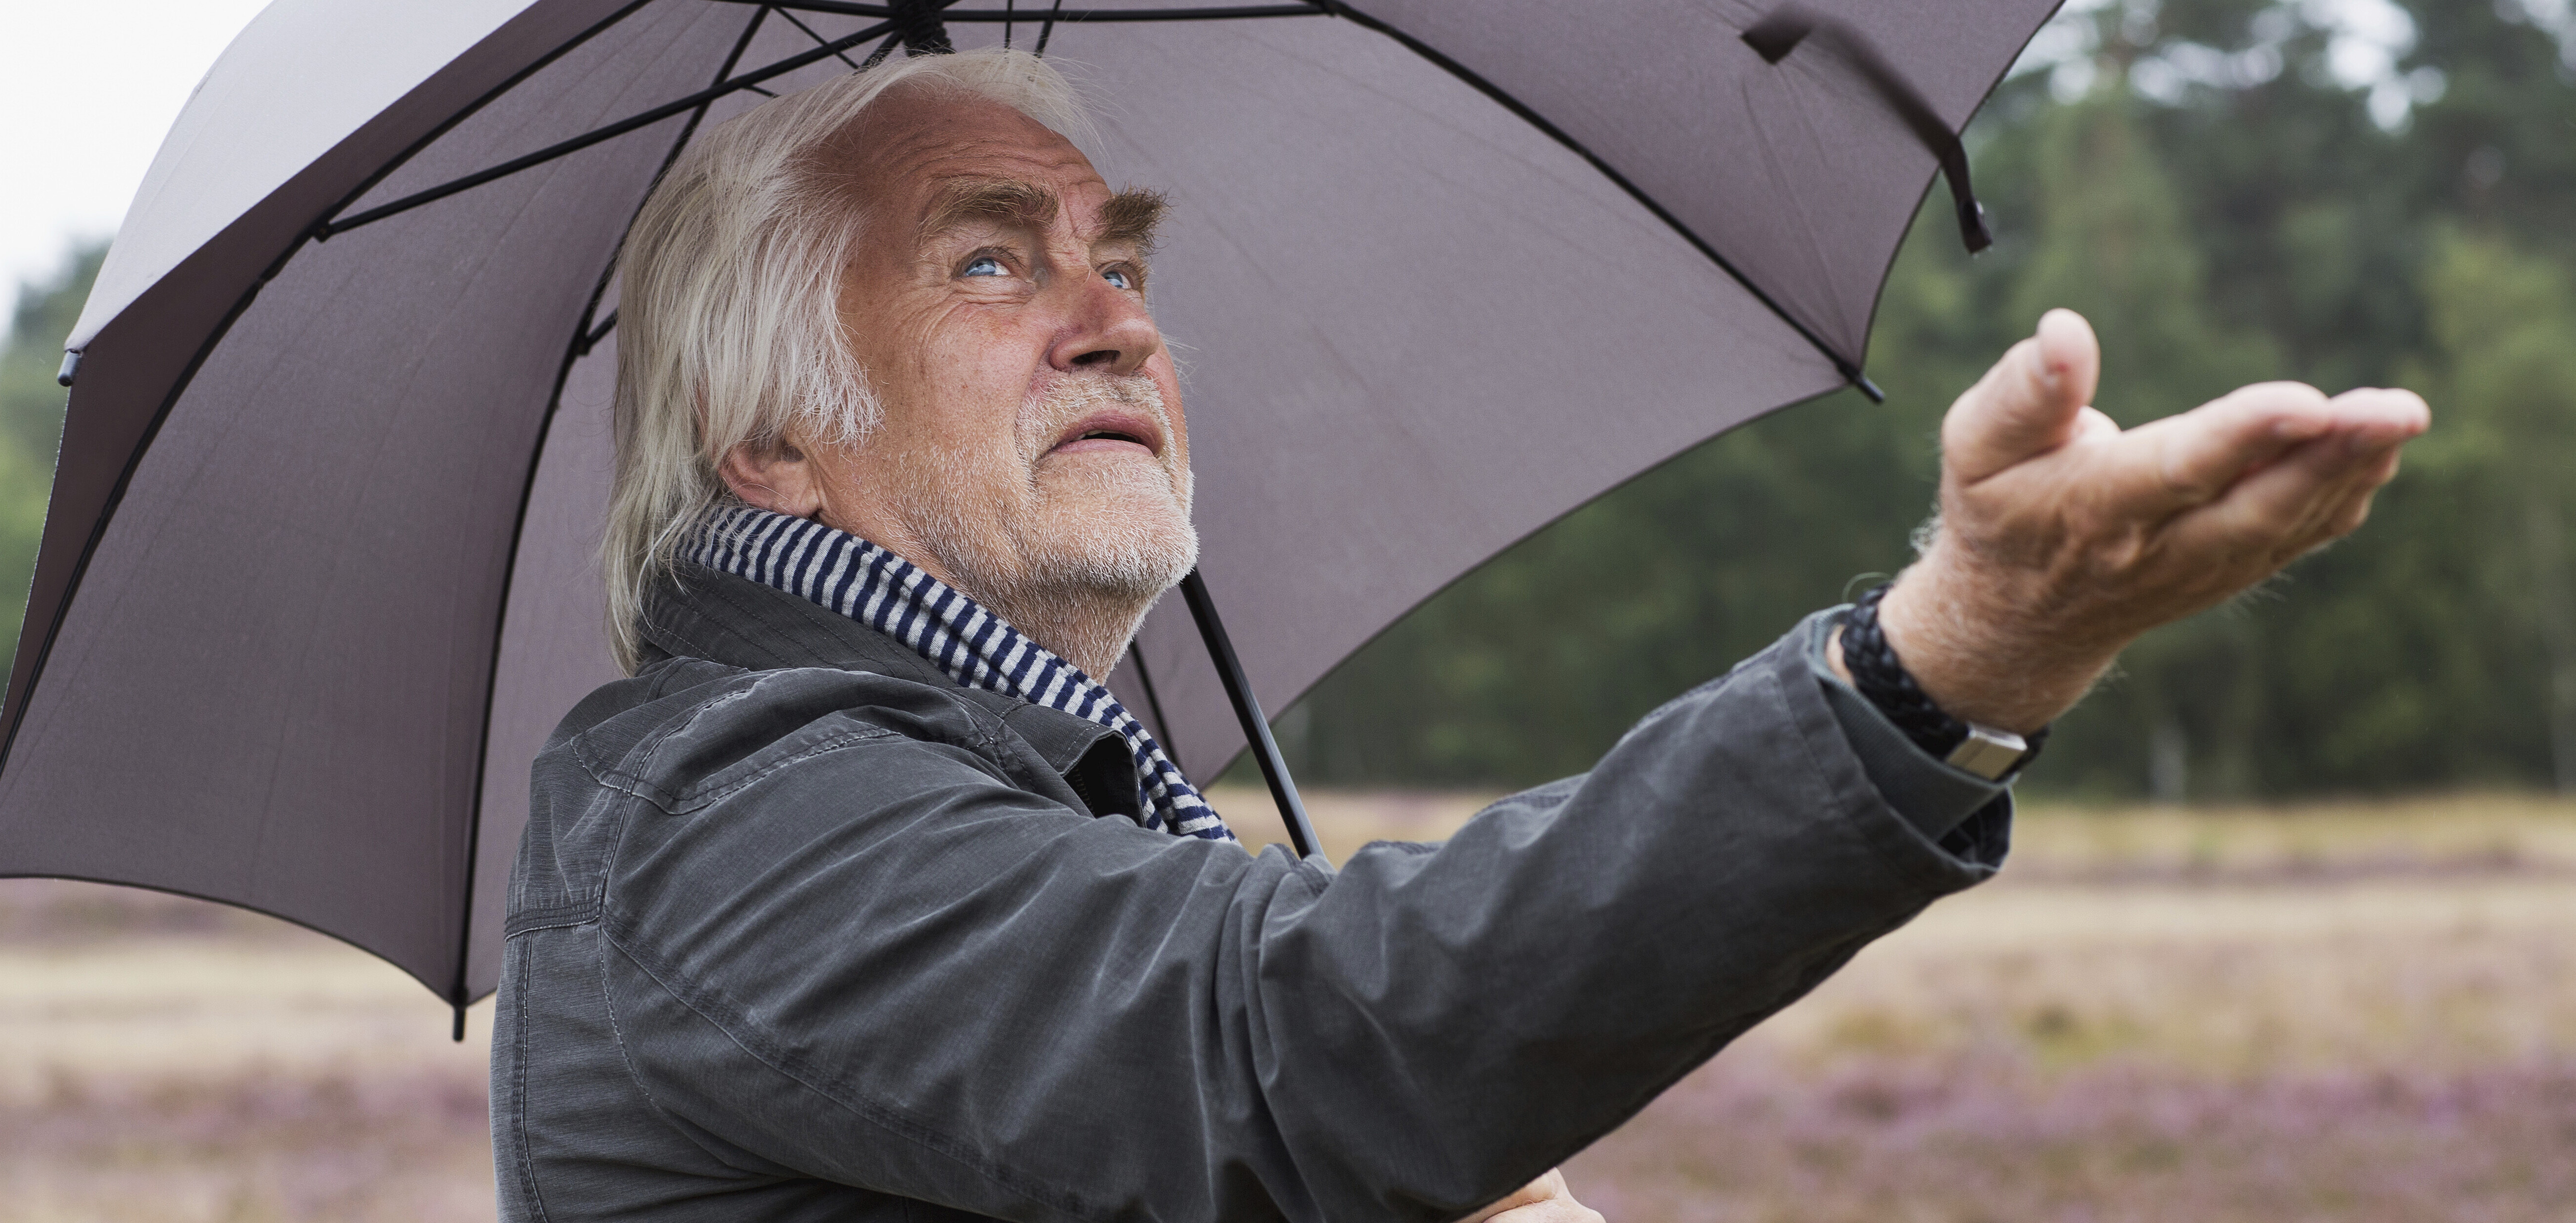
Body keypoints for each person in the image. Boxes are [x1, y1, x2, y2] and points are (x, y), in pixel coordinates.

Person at [490, 49, 2428, 1223]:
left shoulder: (999, 794)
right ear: (767, 435)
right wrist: (1945, 662)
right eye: (992, 260)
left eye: (1124, 264)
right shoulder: (730, 813)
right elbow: (1272, 1048)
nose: (1118, 324)